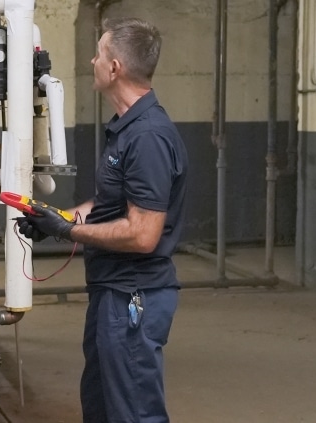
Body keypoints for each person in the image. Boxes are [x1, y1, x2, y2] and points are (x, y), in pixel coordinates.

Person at [17, 17, 188, 423]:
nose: (92, 60)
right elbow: (110, 208)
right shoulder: (126, 131)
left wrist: (69, 231)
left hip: (134, 296)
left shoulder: (148, 137)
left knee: (134, 412)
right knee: (101, 406)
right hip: (112, 292)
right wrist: (54, 219)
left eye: (99, 53)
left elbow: (143, 234)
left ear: (115, 69)